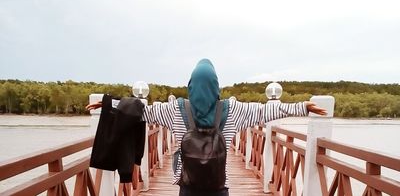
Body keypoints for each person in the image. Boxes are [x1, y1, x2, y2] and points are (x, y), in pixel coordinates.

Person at [86, 59, 327, 196]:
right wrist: (302, 107)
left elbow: (141, 111)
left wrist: (110, 104)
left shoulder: (176, 109)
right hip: (219, 186)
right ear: (216, 85)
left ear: (191, 85)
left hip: (188, 186)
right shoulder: (232, 110)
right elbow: (266, 111)